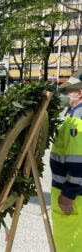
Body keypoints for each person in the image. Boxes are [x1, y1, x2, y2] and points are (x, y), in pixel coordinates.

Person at [50, 69, 82, 252]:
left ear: (79, 92)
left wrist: (69, 195)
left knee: (70, 244)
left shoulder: (78, 119)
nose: (64, 95)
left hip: (73, 198)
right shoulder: (74, 114)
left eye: (68, 91)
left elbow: (79, 161)